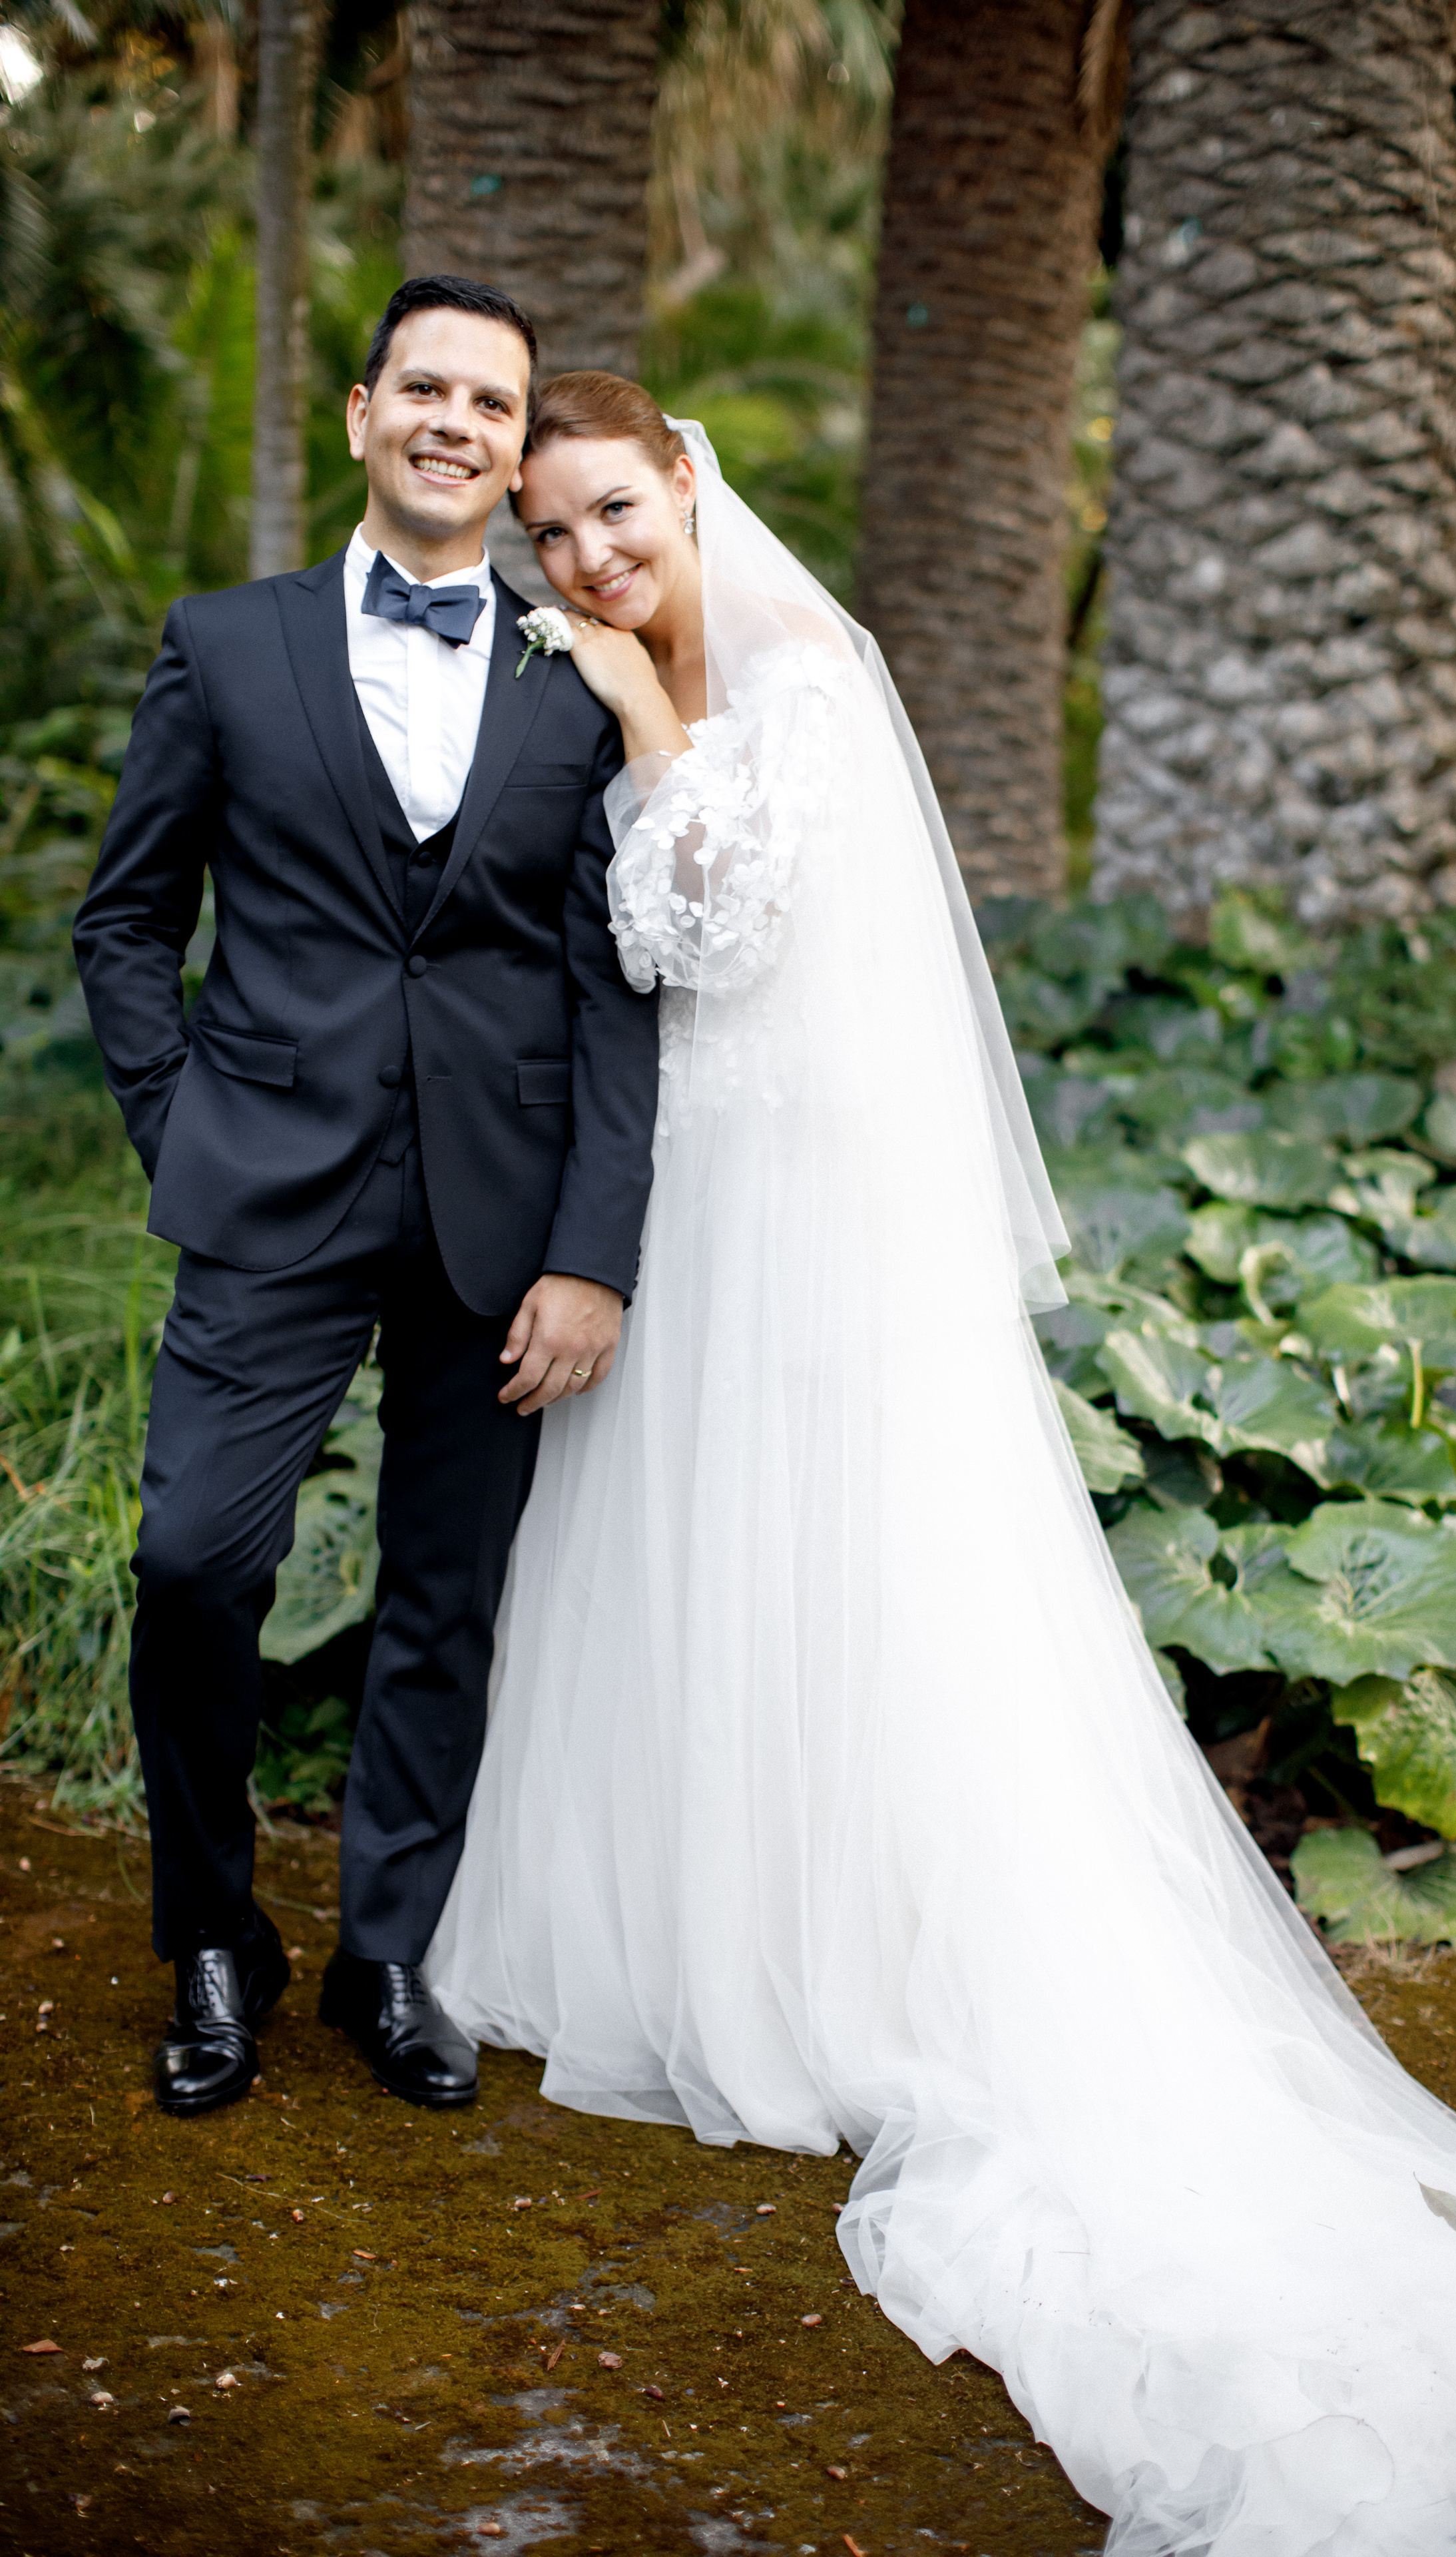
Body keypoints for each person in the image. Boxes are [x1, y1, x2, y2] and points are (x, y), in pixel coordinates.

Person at [428, 368, 1456, 2555]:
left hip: (817, 1224)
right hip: (695, 1213)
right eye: (555, 535)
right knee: (693, 1572)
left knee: (840, 1573)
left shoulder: (807, 673)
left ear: (690, 484)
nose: (587, 561)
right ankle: (713, 1929)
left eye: (612, 512)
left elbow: (715, 928)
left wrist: (646, 713)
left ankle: (863, 1969)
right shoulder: (658, 660)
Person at [73, 282, 659, 2119]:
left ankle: (391, 1950)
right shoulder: (226, 647)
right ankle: (213, 1946)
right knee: (195, 1565)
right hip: (266, 1190)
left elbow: (617, 981)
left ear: (511, 442)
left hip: (503, 1217)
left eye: (493, 401)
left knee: (445, 1597)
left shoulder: (582, 667)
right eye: (429, 387)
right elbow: (125, 919)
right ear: (360, 414)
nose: (459, 422)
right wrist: (183, 1129)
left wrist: (592, 1252)